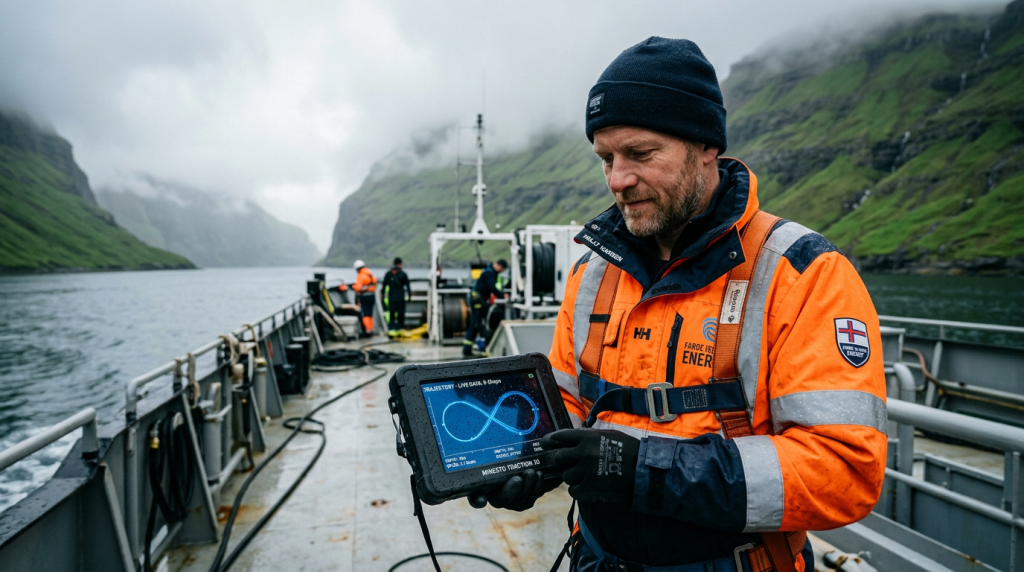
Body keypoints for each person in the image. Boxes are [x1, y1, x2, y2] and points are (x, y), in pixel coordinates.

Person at [470, 37, 887, 572]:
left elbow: (844, 471)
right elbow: (569, 406)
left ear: (706, 146)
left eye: (640, 154)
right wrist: (529, 462)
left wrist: (638, 468)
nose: (618, 179)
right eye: (606, 158)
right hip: (598, 560)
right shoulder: (590, 274)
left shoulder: (803, 273)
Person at [462, 259, 508, 357]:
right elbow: (491, 287)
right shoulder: (489, 273)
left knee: (475, 324)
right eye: (502, 269)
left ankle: (468, 349)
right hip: (477, 300)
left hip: (479, 299)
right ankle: (472, 348)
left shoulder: (489, 272)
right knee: (476, 323)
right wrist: (502, 295)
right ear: (499, 266)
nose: (501, 271)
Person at [382, 257, 412, 335]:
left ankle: (391, 330)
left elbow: (384, 286)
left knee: (392, 314)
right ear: (400, 264)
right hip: (400, 298)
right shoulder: (403, 274)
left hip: (391, 297)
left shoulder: (389, 274)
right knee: (400, 314)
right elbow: (408, 286)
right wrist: (409, 296)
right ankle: (400, 329)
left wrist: (382, 296)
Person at [351, 260, 377, 337]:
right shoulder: (369, 273)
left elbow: (358, 288)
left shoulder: (361, 275)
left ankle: (366, 331)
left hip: (365, 297)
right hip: (372, 296)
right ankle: (370, 329)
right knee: (370, 314)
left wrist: (353, 286)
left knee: (365, 314)